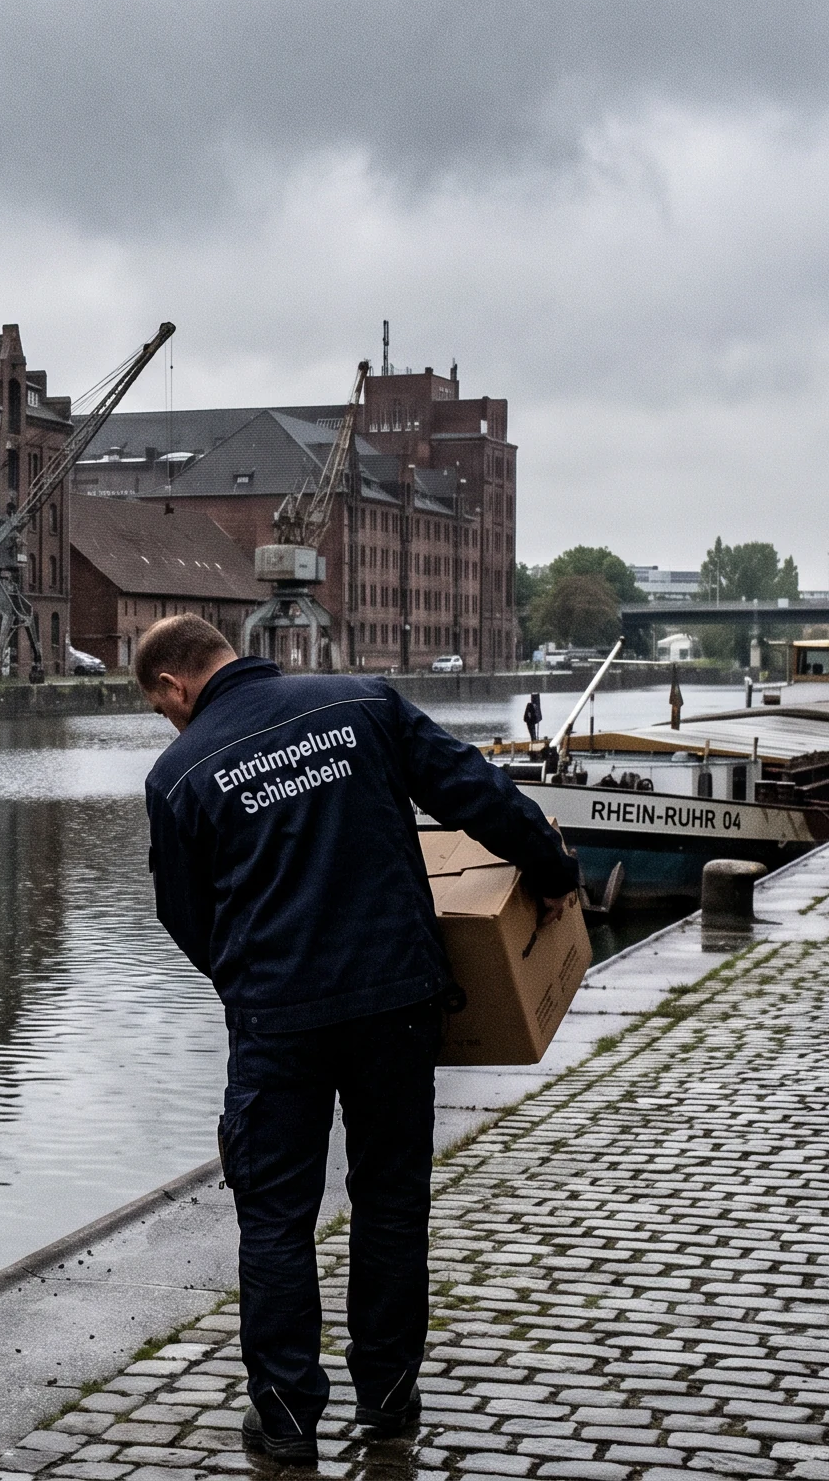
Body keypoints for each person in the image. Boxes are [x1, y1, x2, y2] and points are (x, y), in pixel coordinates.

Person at [134, 615, 577, 1462]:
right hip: (396, 1002)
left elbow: (186, 918)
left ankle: (289, 1417)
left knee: (274, 1215)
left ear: (171, 687)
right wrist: (553, 873)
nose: (170, 722)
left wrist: (248, 982)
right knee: (391, 1199)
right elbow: (471, 791)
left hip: (277, 1022)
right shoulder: (362, 702)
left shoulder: (180, 773)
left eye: (164, 710)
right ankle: (391, 1395)